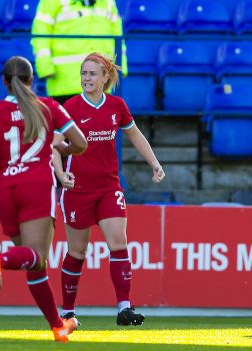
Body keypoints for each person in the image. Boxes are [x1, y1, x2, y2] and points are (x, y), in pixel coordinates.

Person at [0, 56, 87, 343]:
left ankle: (58, 327)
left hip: (5, 189)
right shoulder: (49, 107)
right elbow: (80, 143)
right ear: (32, 80)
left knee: (33, 262)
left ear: (4, 81)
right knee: (37, 256)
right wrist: (60, 146)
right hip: (36, 186)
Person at [54, 52, 165, 327]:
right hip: (77, 189)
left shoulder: (116, 106)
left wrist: (154, 163)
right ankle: (67, 312)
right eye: (83, 73)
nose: (86, 78)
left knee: (119, 243)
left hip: (108, 186)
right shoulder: (71, 107)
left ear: (105, 77)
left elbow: (135, 134)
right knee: (77, 252)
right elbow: (54, 145)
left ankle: (124, 309)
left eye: (92, 73)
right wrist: (60, 173)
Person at [31, 0, 126, 104]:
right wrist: (45, 69)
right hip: (64, 84)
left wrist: (120, 68)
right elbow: (40, 35)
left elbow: (118, 37)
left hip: (100, 85)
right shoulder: (51, 2)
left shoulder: (108, 2)